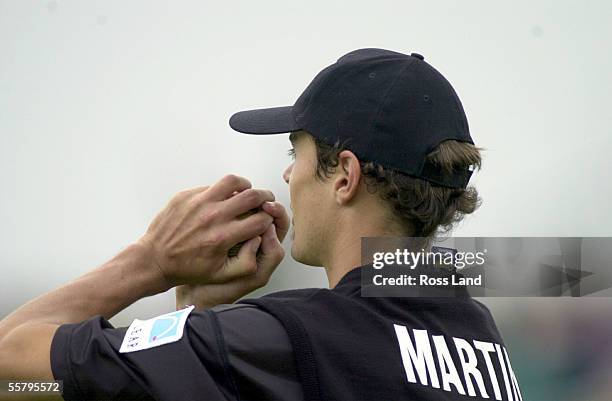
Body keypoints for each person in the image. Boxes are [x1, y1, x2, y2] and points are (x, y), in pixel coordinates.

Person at [0, 48, 523, 401]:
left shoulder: (283, 338)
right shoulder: (481, 336)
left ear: (344, 175)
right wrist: (201, 313)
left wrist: (153, 261)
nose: (288, 174)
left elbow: (11, 367)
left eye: (295, 151)